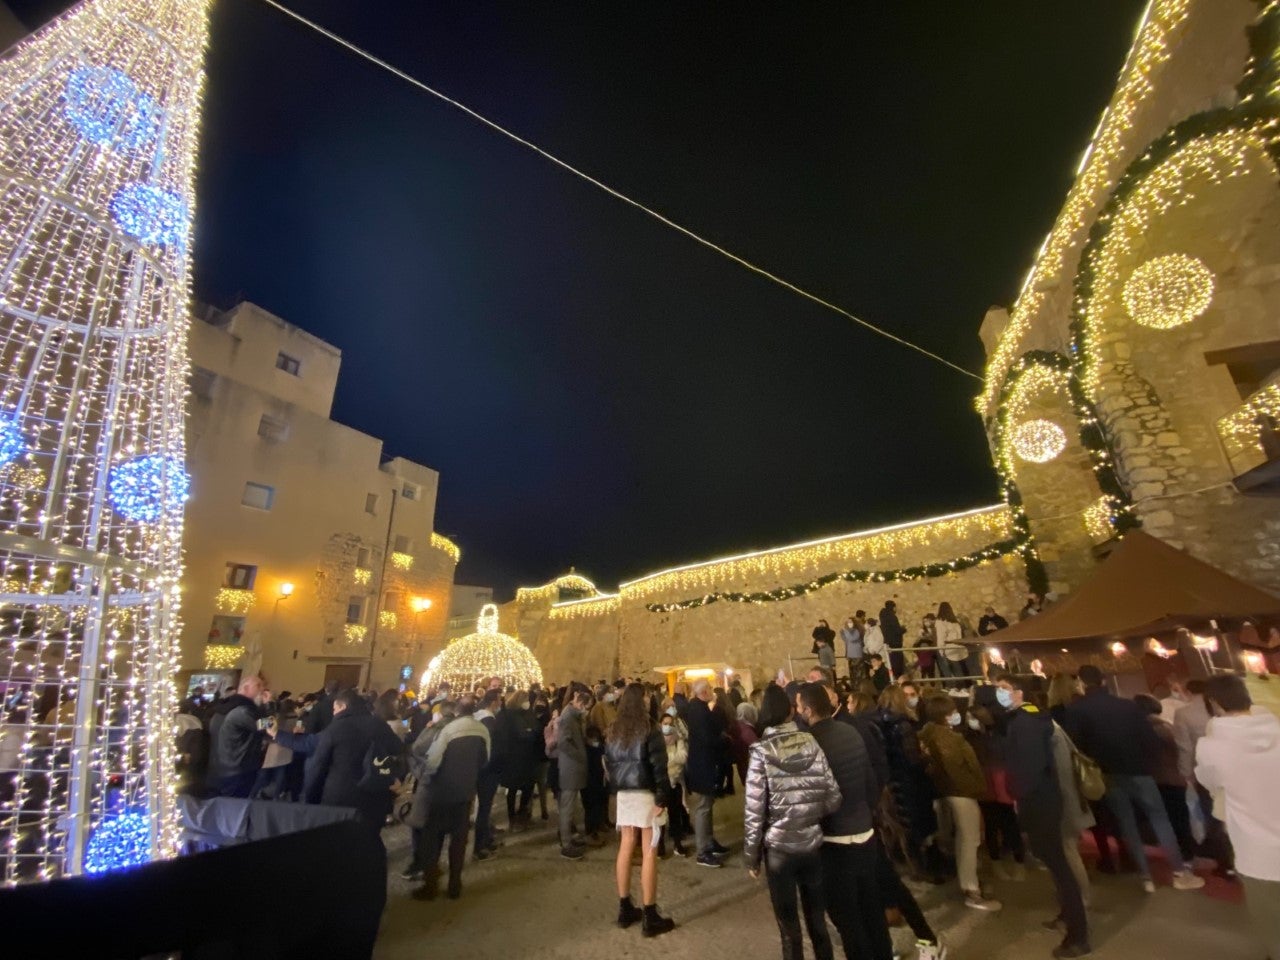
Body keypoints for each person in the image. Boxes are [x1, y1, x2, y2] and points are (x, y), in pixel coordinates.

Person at [1065, 664, 1204, 894]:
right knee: (1160, 819)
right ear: (1103, 681)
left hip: (1107, 773)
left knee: (1127, 823)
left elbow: (1076, 746)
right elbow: (1151, 740)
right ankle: (1179, 872)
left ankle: (1145, 877)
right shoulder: (1127, 706)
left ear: (1080, 683)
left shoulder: (1077, 710)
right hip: (1139, 771)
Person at [795, 682, 894, 960]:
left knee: (847, 918)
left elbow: (812, 798)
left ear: (808, 709)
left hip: (835, 842)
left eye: (800, 706)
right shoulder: (850, 732)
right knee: (871, 910)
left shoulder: (809, 744)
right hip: (863, 834)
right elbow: (870, 783)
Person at [744, 684, 842, 960]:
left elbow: (754, 811)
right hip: (811, 844)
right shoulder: (811, 742)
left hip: (779, 850)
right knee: (818, 922)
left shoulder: (761, 752)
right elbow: (833, 796)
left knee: (789, 929)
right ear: (790, 711)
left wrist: (751, 858)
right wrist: (810, 813)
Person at [996, 674, 1090, 959]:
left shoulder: (1025, 723)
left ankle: (1078, 935)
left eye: (1004, 688)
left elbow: (1028, 769)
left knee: (1060, 866)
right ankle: (1067, 915)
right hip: (1043, 799)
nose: (999, 693)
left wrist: (1015, 791)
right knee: (1055, 865)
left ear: (1019, 692)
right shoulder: (1032, 718)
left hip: (1040, 802)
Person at [1196, 674, 1280, 959]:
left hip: (1257, 852)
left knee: (1272, 926)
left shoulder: (1211, 746)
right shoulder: (1276, 728)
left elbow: (1208, 782)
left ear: (1214, 703)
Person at [605, 683, 675, 937]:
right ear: (641, 700)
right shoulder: (649, 728)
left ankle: (625, 907)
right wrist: (662, 797)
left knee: (626, 845)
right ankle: (649, 913)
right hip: (646, 793)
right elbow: (659, 766)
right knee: (649, 850)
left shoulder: (614, 729)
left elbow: (609, 764)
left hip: (624, 793)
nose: (648, 701)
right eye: (646, 697)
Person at [918, 696, 1001, 911]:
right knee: (970, 839)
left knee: (959, 838)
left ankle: (967, 881)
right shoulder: (951, 740)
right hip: (961, 793)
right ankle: (971, 890)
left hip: (944, 793)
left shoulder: (927, 734)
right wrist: (976, 788)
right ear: (946, 715)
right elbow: (960, 769)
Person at [412, 695, 490, 900]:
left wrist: (425, 779)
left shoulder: (449, 730)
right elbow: (485, 759)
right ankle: (455, 884)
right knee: (458, 841)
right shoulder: (482, 730)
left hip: (442, 792)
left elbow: (434, 761)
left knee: (432, 839)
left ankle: (430, 886)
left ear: (456, 711)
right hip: (465, 793)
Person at [301, 688, 403, 834]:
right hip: (374, 793)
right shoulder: (378, 724)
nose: (334, 712)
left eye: (335, 708)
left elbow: (317, 765)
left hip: (339, 797)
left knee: (337, 837)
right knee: (368, 837)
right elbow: (398, 749)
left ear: (343, 706)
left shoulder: (335, 729)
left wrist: (310, 797)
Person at [1175, 678, 1235, 878]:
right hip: (1230, 766)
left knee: (1214, 816)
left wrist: (1186, 774)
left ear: (1188, 691)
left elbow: (1185, 747)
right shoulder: (1222, 708)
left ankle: (1225, 863)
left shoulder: (1183, 713)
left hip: (1204, 770)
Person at [1134, 694, 1195, 862]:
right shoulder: (1166, 726)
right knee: (1180, 817)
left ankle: (1179, 853)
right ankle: (1187, 851)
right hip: (1175, 778)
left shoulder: (1144, 729)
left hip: (1157, 779)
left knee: (1167, 818)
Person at [685, 679, 728, 867]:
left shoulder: (698, 708)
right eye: (709, 689)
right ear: (703, 692)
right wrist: (723, 740)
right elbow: (707, 738)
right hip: (703, 764)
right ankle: (703, 850)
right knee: (703, 807)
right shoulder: (699, 711)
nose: (712, 691)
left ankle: (709, 841)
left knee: (707, 805)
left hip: (703, 763)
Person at [206, 674, 270, 798]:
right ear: (245, 689)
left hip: (217, 769)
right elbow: (268, 727)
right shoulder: (243, 712)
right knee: (235, 809)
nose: (262, 689)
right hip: (238, 771)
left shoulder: (222, 709)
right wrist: (268, 705)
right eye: (258, 686)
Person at [496, 690, 541, 832]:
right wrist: (529, 732)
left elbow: (534, 729)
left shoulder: (526, 713)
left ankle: (522, 815)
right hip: (514, 757)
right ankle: (512, 818)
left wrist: (530, 731)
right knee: (513, 787)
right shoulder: (509, 714)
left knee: (527, 787)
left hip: (527, 757)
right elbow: (522, 733)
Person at [557, 684, 591, 860]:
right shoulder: (568, 717)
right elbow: (562, 742)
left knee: (572, 806)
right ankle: (566, 843)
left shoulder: (574, 716)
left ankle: (569, 837)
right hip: (570, 767)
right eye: (585, 705)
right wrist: (578, 754)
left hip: (575, 767)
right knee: (567, 806)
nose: (586, 710)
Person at [472, 689, 503, 861]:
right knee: (484, 808)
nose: (500, 703)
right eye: (499, 700)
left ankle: (486, 839)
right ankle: (479, 846)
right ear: (493, 702)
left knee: (484, 808)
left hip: (478, 768)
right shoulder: (489, 721)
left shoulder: (476, 716)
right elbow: (492, 747)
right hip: (487, 770)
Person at [660, 697, 691, 857]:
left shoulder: (677, 740)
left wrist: (669, 760)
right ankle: (660, 847)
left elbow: (683, 756)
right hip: (663, 781)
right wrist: (673, 760)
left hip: (676, 780)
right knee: (660, 817)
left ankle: (677, 844)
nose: (667, 727)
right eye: (664, 724)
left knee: (675, 813)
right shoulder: (657, 741)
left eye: (669, 724)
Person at [936, 602, 969, 687]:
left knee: (953, 671)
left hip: (949, 648)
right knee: (962, 670)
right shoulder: (955, 622)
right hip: (959, 647)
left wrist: (941, 650)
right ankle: (966, 687)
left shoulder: (940, 622)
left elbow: (941, 637)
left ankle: (958, 688)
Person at [879, 601, 906, 679]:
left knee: (891, 662)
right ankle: (898, 678)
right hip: (895, 643)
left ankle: (893, 678)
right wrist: (903, 629)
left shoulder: (883, 616)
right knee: (897, 663)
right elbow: (897, 630)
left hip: (888, 642)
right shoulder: (892, 616)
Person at [913, 615, 937, 679]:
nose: (926, 623)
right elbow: (919, 640)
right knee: (924, 670)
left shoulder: (935, 629)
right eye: (924, 621)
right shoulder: (922, 630)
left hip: (933, 650)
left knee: (932, 669)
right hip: (926, 652)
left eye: (927, 621)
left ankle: (933, 683)